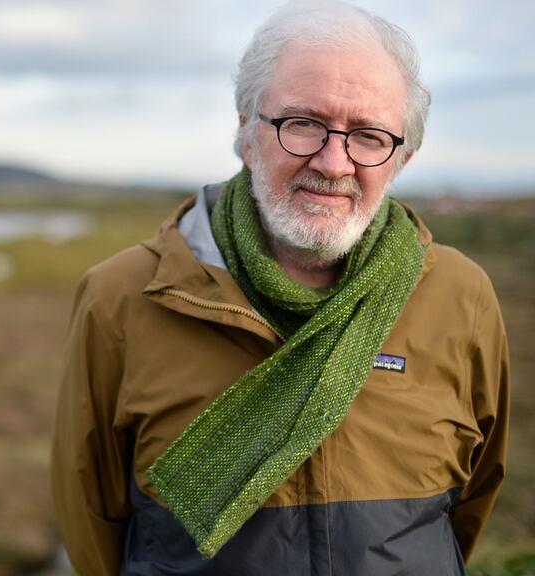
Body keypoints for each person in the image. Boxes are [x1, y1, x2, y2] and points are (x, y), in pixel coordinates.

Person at [49, 1, 510, 574]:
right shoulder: (121, 297)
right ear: (245, 129)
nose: (333, 161)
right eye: (303, 123)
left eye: (368, 136)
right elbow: (93, 521)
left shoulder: (461, 295)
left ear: (402, 158)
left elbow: (470, 503)